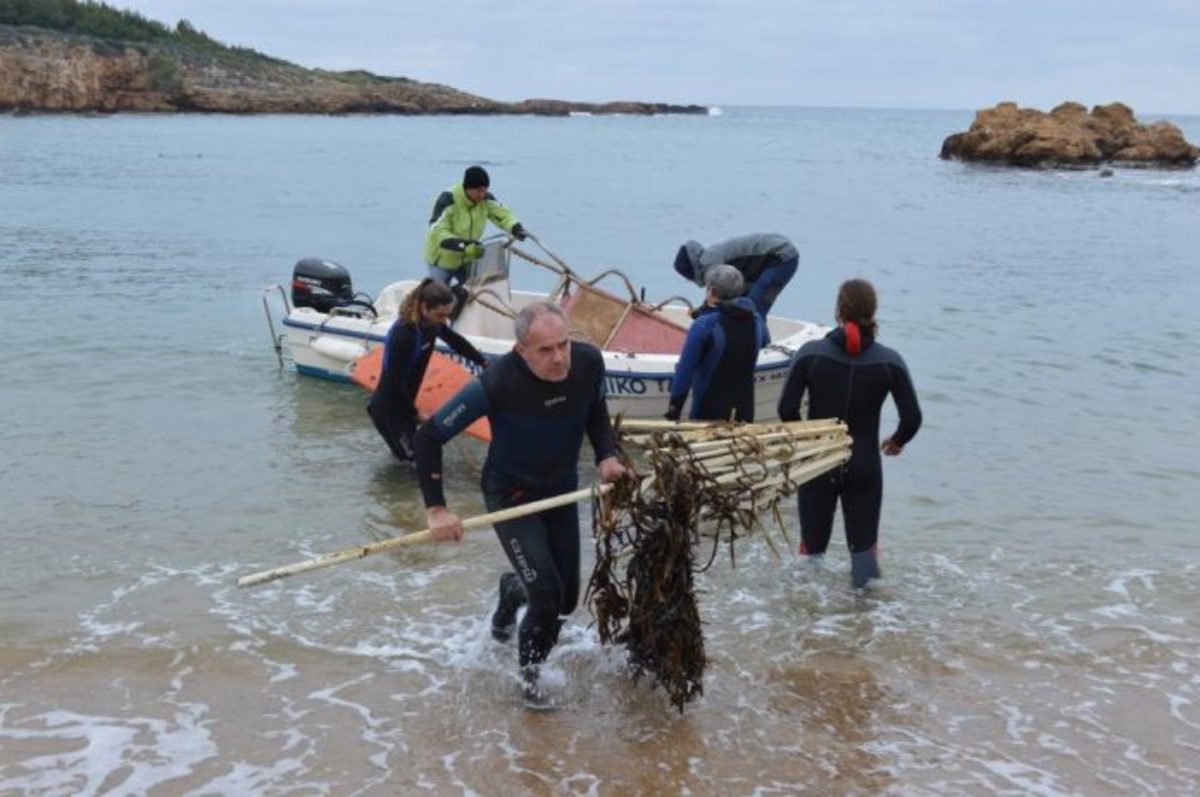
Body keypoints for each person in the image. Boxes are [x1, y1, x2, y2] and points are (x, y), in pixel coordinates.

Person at [412, 301, 628, 707]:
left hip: (561, 490)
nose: (559, 358)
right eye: (545, 350)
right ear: (520, 350)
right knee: (546, 594)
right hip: (511, 493)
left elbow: (595, 410)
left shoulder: (588, 362)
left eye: (563, 344)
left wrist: (606, 455)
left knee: (564, 601)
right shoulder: (497, 382)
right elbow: (429, 437)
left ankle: (512, 591)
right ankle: (529, 683)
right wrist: (437, 509)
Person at [776, 278, 922, 588]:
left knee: (811, 557)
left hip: (817, 463)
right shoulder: (889, 361)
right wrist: (897, 442)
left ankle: (806, 623)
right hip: (865, 465)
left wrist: (806, 440)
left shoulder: (810, 354)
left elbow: (787, 408)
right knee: (865, 562)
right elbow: (912, 418)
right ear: (874, 311)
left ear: (838, 310)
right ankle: (869, 627)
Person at [367, 278, 490, 462]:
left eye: (447, 315)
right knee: (412, 463)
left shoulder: (431, 324)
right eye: (440, 315)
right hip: (389, 409)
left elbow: (456, 341)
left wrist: (484, 363)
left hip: (405, 404)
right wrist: (416, 414)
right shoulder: (405, 334)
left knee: (410, 459)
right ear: (424, 307)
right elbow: (394, 385)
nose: (444, 320)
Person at [665, 265, 770, 422]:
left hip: (707, 415)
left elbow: (684, 373)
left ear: (711, 291)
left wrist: (674, 412)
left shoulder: (704, 325)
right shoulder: (756, 320)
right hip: (744, 413)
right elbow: (764, 342)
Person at [422, 165, 530, 290]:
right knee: (437, 297)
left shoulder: (485, 199)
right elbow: (437, 232)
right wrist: (463, 246)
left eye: (485, 190)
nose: (483, 195)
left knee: (480, 290)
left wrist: (515, 227)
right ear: (468, 188)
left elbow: (503, 215)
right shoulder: (448, 200)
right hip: (442, 261)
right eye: (479, 191)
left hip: (468, 258)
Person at [673, 233, 799, 318]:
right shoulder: (709, 258)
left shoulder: (710, 267)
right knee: (745, 302)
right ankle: (754, 341)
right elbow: (721, 297)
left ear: (690, 270)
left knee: (752, 308)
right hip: (771, 259)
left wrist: (701, 315)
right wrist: (702, 312)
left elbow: (718, 295)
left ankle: (758, 347)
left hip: (780, 258)